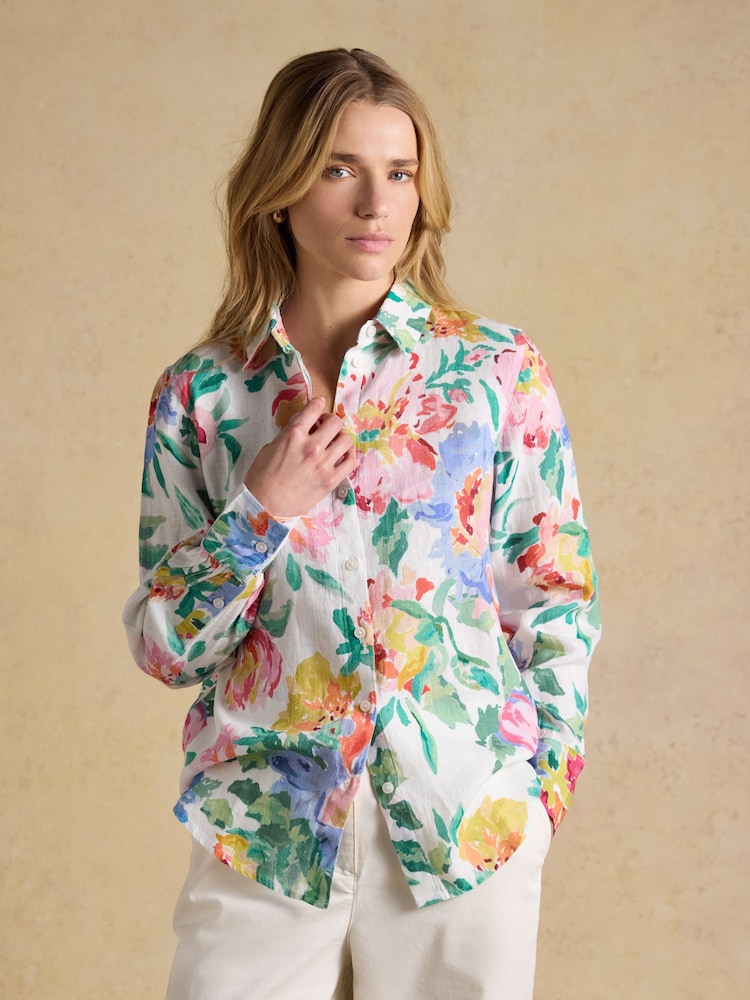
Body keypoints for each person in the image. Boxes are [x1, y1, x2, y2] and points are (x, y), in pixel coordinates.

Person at [123, 47, 600, 1000]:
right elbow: (166, 649)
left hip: (467, 824)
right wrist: (260, 511)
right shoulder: (204, 394)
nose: (378, 203)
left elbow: (553, 598)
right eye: (340, 169)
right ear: (282, 189)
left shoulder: (495, 372)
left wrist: (541, 788)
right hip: (265, 828)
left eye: (400, 172)